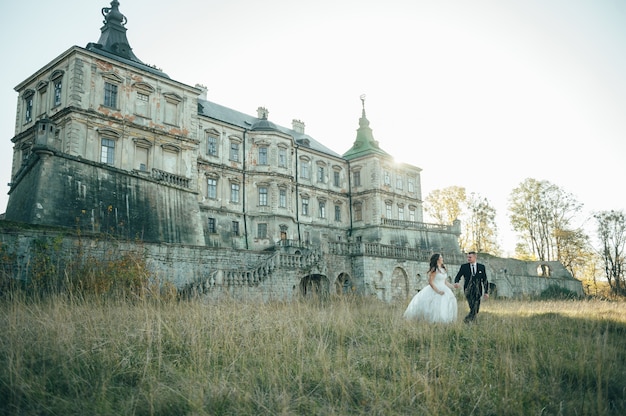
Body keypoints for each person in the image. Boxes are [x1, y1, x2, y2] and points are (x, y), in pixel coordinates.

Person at [403, 253, 458, 323]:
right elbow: (431, 282)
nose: (442, 259)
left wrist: (453, 286)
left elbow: (445, 282)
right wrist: (438, 291)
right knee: (435, 306)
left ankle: (445, 321)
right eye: (441, 258)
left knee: (446, 305)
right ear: (438, 259)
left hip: (444, 288)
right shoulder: (434, 270)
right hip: (435, 289)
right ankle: (434, 322)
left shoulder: (443, 269)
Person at [454, 251, 489, 323]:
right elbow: (458, 276)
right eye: (468, 257)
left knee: (476, 309)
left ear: (475, 257)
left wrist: (486, 292)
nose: (468, 258)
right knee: (472, 307)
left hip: (478, 290)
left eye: (470, 257)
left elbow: (485, 280)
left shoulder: (481, 267)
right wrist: (456, 282)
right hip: (468, 290)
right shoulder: (464, 267)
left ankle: (469, 321)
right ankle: (467, 321)